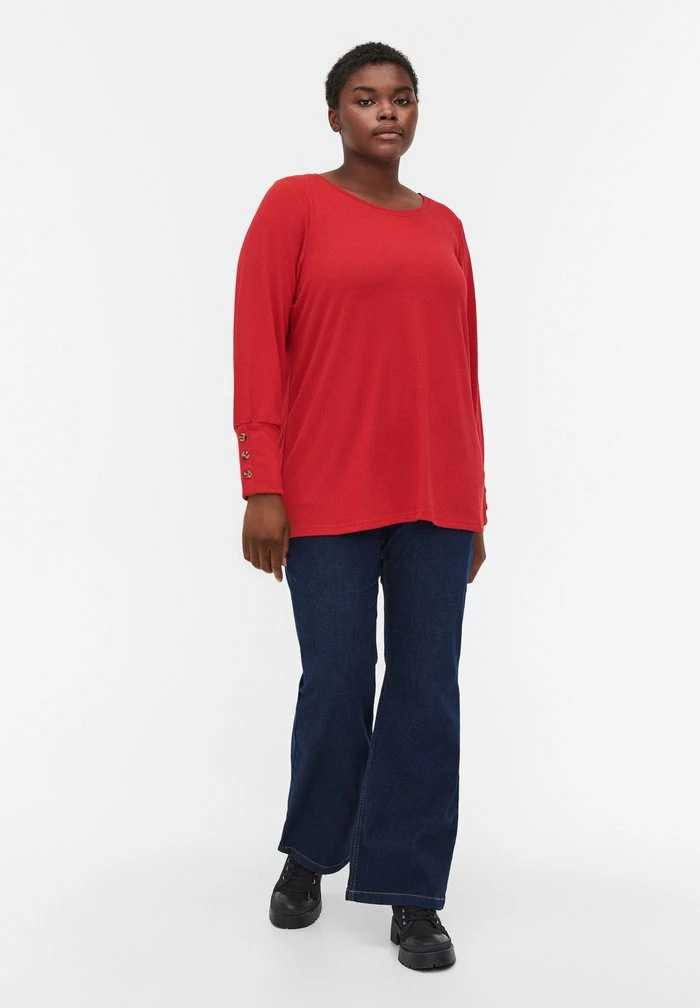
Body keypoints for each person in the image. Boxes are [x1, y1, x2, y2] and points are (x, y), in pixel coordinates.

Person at [232, 41, 488, 971]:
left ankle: (413, 891)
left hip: (436, 494)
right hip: (325, 490)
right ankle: (311, 851)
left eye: (402, 98)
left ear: (417, 112)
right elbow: (257, 343)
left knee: (426, 691)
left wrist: (477, 505)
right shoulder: (293, 206)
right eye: (366, 97)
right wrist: (263, 483)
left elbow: (462, 368)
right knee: (337, 683)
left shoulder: (446, 226)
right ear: (334, 112)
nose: (387, 112)